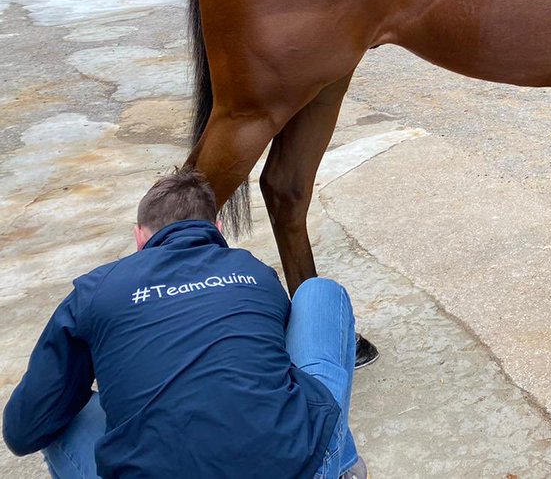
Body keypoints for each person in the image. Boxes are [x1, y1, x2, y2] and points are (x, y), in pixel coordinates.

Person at [3, 168, 367, 479]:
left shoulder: (95, 289)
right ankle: (340, 459)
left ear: (139, 237)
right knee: (319, 293)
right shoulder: (253, 271)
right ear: (218, 228)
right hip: (298, 467)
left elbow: (22, 431)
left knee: (51, 407)